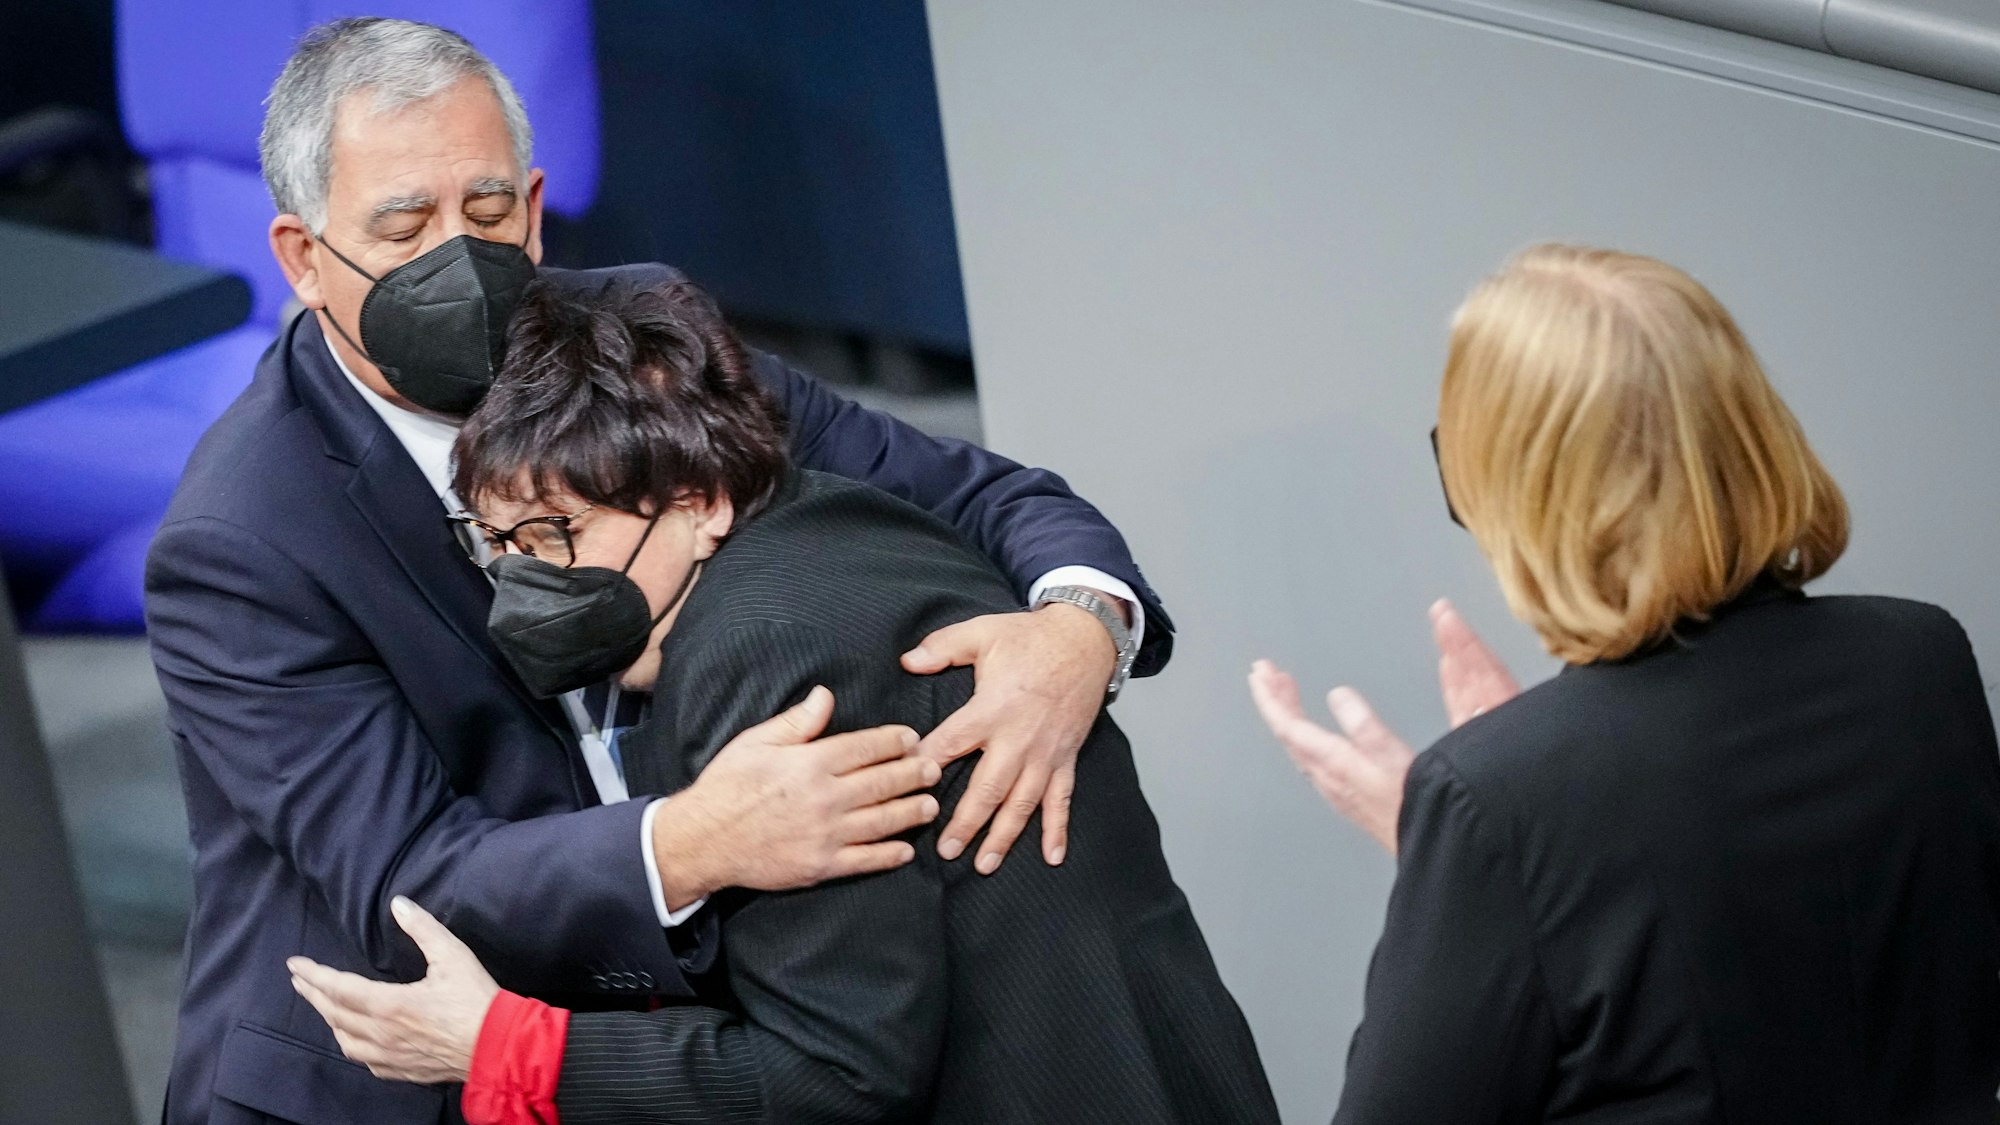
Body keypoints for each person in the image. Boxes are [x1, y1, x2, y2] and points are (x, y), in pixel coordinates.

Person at [149, 18, 1174, 1125]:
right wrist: (695, 839)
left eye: (487, 212)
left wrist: (1078, 631)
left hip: (689, 1041)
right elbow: (412, 879)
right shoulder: (242, 540)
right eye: (405, 226)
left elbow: (985, 495)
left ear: (535, 209)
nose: (458, 253)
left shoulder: (640, 344)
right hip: (410, 1065)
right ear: (304, 258)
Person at [286, 278, 1279, 1124]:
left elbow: (835, 1073)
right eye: (499, 544)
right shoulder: (834, 521)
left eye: (556, 534)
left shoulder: (755, 657)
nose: (526, 580)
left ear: (698, 503)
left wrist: (507, 1047)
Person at [1252, 244, 2000, 1122]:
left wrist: (1465, 843)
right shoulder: (1922, 658)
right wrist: (1517, 808)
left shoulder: (1496, 802)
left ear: (1525, 489)